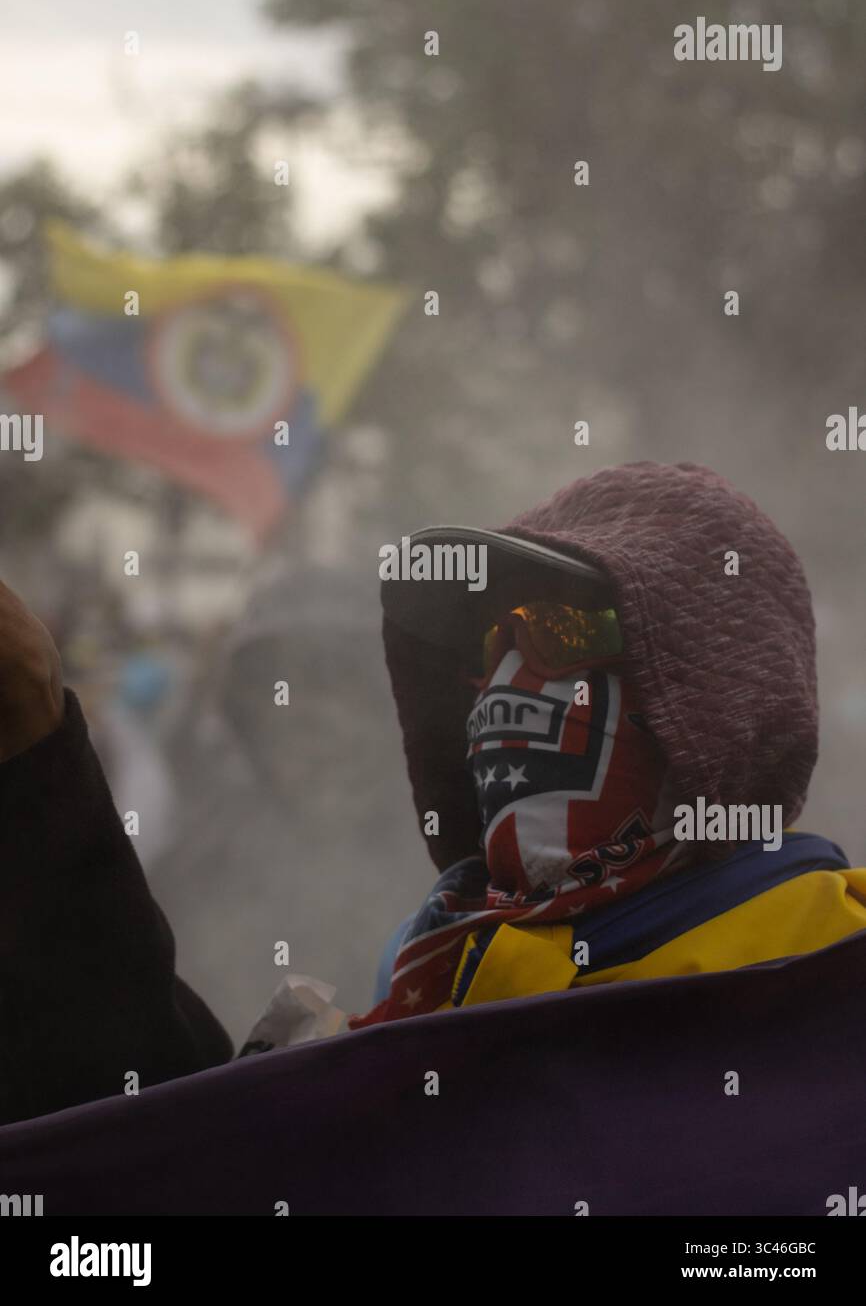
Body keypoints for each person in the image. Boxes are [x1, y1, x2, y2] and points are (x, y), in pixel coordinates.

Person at [0, 460, 863, 1127]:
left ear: (713, 690)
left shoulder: (832, 981)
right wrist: (38, 760)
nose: (510, 678)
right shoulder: (428, 982)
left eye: (563, 630)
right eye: (493, 643)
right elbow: (178, 1166)